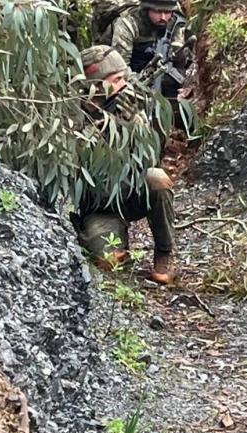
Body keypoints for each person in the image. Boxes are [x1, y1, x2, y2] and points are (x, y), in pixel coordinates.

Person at [72, 45, 176, 285]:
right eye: (116, 79)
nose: (122, 85)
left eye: (123, 78)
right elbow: (75, 165)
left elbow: (150, 157)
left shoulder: (128, 108)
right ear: (95, 84)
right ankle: (117, 243)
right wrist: (103, 129)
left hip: (129, 193)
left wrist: (131, 126)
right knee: (110, 263)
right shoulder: (73, 113)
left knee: (157, 178)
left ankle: (164, 253)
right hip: (97, 204)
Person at [108, 0, 190, 100]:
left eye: (167, 12)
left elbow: (181, 61)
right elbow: (120, 67)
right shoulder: (128, 23)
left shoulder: (175, 22)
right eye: (158, 11)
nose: (163, 17)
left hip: (161, 66)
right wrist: (139, 86)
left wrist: (186, 84)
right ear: (146, 9)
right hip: (133, 69)